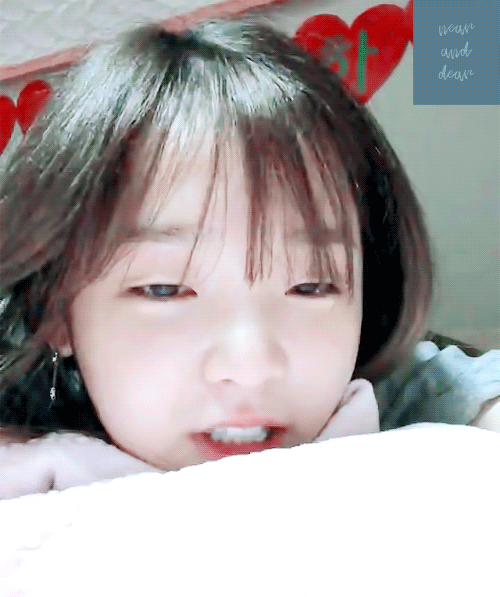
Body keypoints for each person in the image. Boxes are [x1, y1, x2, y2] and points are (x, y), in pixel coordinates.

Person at [0, 16, 497, 499]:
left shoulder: (390, 392)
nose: (250, 365)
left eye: (311, 286)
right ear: (57, 310)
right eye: (164, 289)